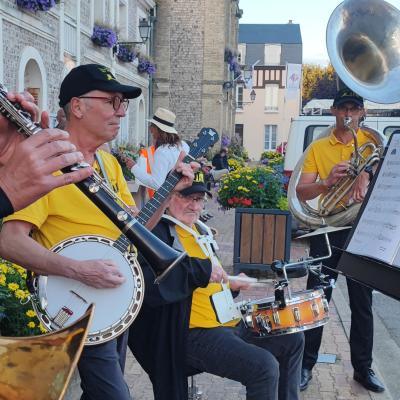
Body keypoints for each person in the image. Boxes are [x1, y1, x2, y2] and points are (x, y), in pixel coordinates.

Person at [0, 63, 195, 400]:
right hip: (76, 305)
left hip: (114, 303)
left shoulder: (109, 165)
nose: (121, 112)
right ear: (77, 106)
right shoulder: (47, 164)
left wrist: (167, 191)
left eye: (124, 104)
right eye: (112, 101)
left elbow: (134, 231)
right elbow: (9, 241)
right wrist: (77, 269)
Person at [129, 172, 304, 400]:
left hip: (227, 322)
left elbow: (207, 281)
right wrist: (203, 271)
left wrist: (232, 285)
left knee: (292, 339)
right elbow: (155, 287)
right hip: (192, 333)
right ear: (168, 198)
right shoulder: (159, 235)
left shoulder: (199, 230)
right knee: (264, 367)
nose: (194, 206)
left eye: (199, 199)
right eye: (186, 197)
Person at [296, 87, 385, 393]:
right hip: (329, 230)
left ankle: (363, 368)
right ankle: (305, 365)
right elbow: (302, 192)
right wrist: (327, 182)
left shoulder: (372, 144)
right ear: (333, 112)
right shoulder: (318, 149)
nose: (348, 113)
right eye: (343, 108)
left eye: (354, 109)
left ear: (362, 113)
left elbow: (386, 172)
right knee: (317, 299)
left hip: (362, 230)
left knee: (362, 303)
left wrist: (366, 174)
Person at [0, 91, 92, 218]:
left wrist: (5, 152)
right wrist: (5, 190)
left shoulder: (110, 162)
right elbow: (11, 236)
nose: (121, 112)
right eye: (110, 101)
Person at [125, 107, 190, 191]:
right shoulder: (184, 145)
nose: (150, 130)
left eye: (152, 126)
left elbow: (156, 183)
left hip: (172, 197)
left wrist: (134, 167)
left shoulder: (162, 151)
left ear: (159, 129)